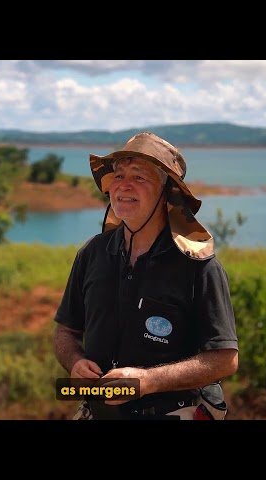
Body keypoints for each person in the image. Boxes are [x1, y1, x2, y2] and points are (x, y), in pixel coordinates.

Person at [52, 131, 238, 420]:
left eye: (139, 177)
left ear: (168, 193)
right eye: (118, 176)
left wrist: (149, 381)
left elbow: (225, 360)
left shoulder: (199, 267)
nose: (123, 186)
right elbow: (65, 332)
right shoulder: (92, 253)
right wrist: (75, 362)